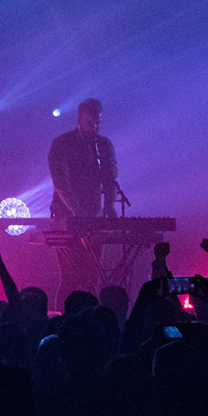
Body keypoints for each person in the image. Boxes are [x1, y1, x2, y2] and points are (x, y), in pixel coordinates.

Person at [47, 99, 118, 297]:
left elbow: (110, 177)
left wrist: (109, 205)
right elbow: (60, 182)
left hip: (93, 215)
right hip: (64, 215)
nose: (94, 127)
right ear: (79, 119)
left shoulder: (103, 145)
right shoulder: (62, 143)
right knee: (69, 276)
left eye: (97, 122)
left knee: (92, 275)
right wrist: (77, 211)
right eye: (90, 122)